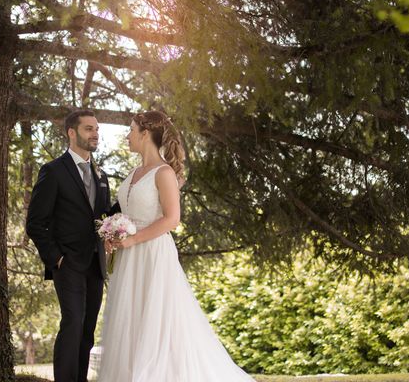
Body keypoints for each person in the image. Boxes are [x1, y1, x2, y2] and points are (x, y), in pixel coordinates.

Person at [98, 110, 254, 381]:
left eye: (132, 130)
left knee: (156, 320)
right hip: (128, 258)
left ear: (145, 134)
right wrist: (115, 233)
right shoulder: (135, 171)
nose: (128, 135)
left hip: (152, 254)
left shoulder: (164, 172)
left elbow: (172, 219)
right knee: (130, 320)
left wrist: (133, 238)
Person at [26, 109, 115, 382]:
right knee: (73, 323)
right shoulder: (53, 171)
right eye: (89, 128)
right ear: (72, 132)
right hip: (68, 263)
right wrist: (56, 259)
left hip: (95, 264)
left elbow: (104, 218)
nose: (95, 133)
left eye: (97, 129)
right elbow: (35, 222)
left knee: (87, 329)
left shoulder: (101, 176)